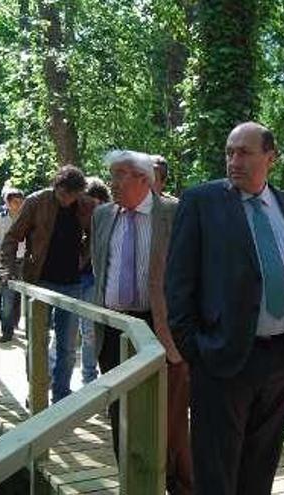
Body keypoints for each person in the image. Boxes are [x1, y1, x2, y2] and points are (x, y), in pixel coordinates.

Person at [166, 122, 284, 495]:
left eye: (244, 152)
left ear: (271, 157)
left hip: (283, 357)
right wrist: (196, 350)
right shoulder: (202, 202)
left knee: (260, 466)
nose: (234, 160)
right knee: (215, 470)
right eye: (230, 152)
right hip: (223, 357)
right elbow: (178, 283)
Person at [91, 150, 191, 493]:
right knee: (121, 414)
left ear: (144, 179)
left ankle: (177, 485)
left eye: (120, 175)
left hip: (162, 326)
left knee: (170, 417)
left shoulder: (174, 213)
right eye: (112, 174)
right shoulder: (102, 215)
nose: (111, 182)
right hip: (114, 328)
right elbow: (99, 266)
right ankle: (132, 484)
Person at [0, 166, 98, 403]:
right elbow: (12, 238)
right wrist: (7, 270)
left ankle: (61, 394)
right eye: (63, 194)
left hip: (72, 284)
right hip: (39, 281)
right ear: (56, 187)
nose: (67, 200)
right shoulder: (36, 201)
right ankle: (36, 393)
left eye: (72, 196)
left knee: (67, 345)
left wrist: (83, 258)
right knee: (37, 342)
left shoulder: (86, 206)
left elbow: (93, 237)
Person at [75, 176, 110, 384]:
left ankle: (89, 380)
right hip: (76, 280)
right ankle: (46, 382)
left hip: (96, 281)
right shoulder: (76, 216)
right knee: (71, 332)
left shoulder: (109, 216)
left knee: (89, 332)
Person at [0, 188, 26, 343]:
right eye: (15, 202)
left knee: (19, 297)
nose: (19, 205)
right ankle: (7, 332)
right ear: (7, 203)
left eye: (21, 202)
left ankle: (14, 325)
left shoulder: (28, 218)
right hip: (4, 263)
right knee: (6, 299)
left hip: (23, 262)